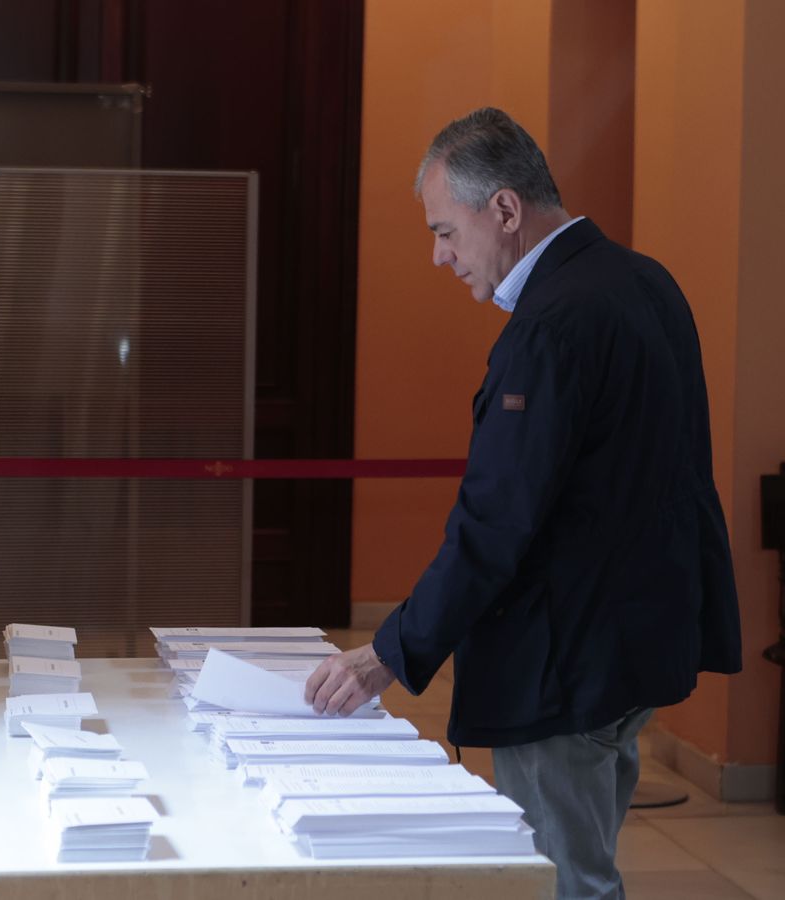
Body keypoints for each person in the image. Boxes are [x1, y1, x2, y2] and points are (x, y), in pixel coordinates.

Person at [304, 107, 742, 900]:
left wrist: (389, 654)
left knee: (562, 884)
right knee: (586, 865)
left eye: (445, 231)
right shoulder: (645, 281)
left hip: (565, 662)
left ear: (504, 209)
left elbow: (497, 522)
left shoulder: (554, 324)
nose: (440, 256)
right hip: (638, 645)